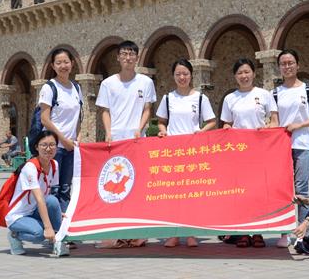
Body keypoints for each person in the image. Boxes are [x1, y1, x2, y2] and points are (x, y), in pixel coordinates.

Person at [95, 40, 156, 248]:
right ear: (118, 58)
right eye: (124, 54)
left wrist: (140, 128)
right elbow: (105, 111)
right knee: (115, 187)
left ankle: (137, 233)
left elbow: (147, 109)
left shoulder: (145, 82)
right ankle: (115, 232)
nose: (128, 57)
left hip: (137, 141)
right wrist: (108, 132)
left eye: (131, 54)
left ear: (137, 58)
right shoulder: (108, 83)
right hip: (116, 142)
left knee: (137, 186)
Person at [156, 58, 217, 248]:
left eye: (185, 74)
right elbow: (161, 121)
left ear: (191, 75)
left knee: (191, 194)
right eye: (178, 74)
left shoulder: (200, 98)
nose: (182, 77)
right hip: (173, 153)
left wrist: (201, 132)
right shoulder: (168, 98)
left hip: (193, 152)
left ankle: (191, 233)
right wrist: (163, 131)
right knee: (173, 195)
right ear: (173, 76)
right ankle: (174, 234)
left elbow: (212, 121)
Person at [220, 58, 278, 248]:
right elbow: (226, 124)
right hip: (239, 154)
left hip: (260, 152)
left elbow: (275, 121)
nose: (244, 76)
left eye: (247, 72)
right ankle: (243, 232)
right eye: (240, 73)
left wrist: (267, 129)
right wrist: (228, 129)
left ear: (254, 73)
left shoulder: (264, 94)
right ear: (235, 76)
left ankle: (259, 232)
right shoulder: (230, 98)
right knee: (241, 193)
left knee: (259, 192)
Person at [273, 49, 309, 248]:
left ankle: (301, 233)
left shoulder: (308, 89)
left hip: (303, 145)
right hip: (281, 147)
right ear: (279, 68)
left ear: (298, 65)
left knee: (301, 188)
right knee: (283, 189)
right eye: (283, 63)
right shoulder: (275, 93)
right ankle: (284, 232)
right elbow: (274, 120)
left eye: (290, 63)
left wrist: (299, 125)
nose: (287, 66)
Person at [6, 130, 69, 257]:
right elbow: (40, 199)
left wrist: (56, 212)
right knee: (39, 234)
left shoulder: (54, 165)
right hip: (19, 216)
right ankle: (14, 235)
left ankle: (57, 241)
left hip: (35, 211)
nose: (48, 148)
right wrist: (48, 227)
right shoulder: (30, 167)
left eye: (52, 145)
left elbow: (49, 196)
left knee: (52, 201)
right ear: (36, 147)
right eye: (44, 145)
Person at [39, 48, 83, 213]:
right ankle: (51, 223)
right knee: (53, 189)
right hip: (53, 147)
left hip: (71, 148)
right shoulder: (49, 87)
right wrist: (63, 140)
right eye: (59, 63)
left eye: (66, 62)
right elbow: (45, 119)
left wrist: (77, 139)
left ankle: (64, 224)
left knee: (66, 188)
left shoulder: (76, 88)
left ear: (72, 64)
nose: (63, 66)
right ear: (53, 66)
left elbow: (78, 117)